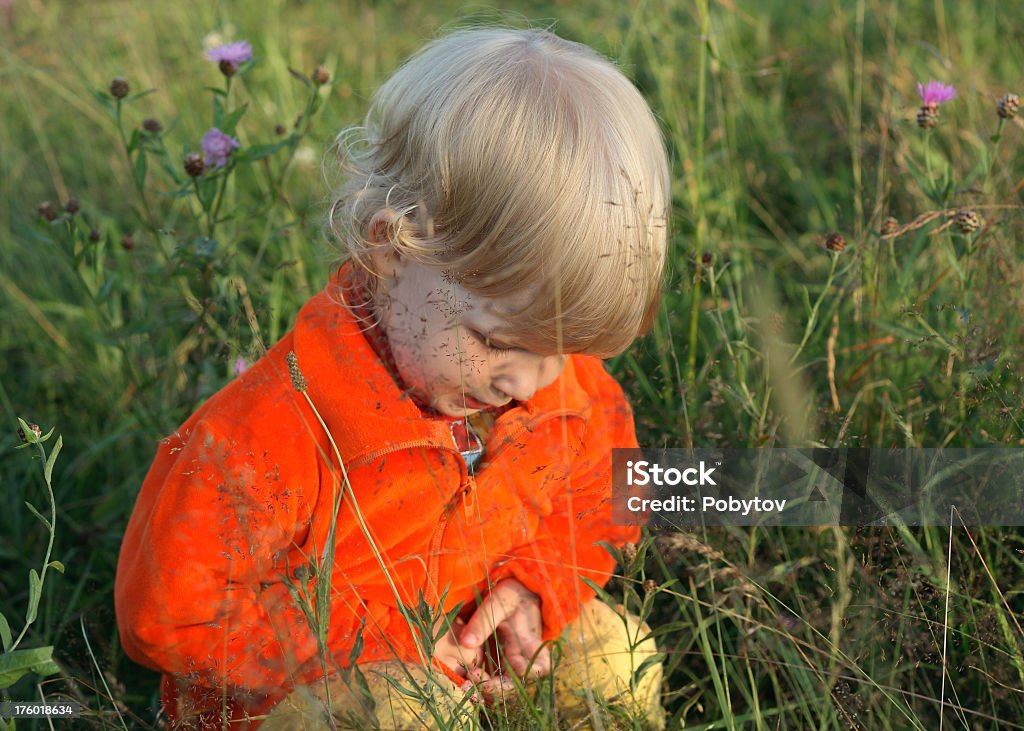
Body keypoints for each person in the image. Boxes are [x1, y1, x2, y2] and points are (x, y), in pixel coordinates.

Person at [115, 25, 670, 730]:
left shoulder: (552, 382)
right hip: (307, 702)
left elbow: (606, 488)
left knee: (614, 654)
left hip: (475, 671)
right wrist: (382, 644)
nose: (528, 384)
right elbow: (170, 611)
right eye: (495, 339)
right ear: (392, 250)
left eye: (561, 350)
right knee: (406, 711)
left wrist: (539, 584)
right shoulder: (272, 431)